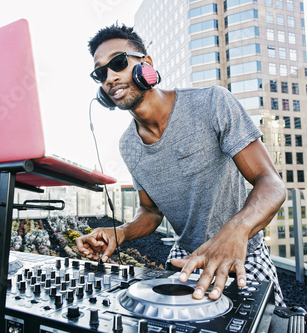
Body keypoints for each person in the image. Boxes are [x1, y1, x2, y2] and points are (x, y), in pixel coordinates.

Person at [76, 23, 287, 306]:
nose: (110, 77)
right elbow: (151, 212)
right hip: (184, 261)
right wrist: (122, 232)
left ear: (146, 64)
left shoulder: (212, 103)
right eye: (100, 73)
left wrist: (237, 230)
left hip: (243, 254)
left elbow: (271, 183)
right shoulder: (128, 145)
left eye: (118, 63)